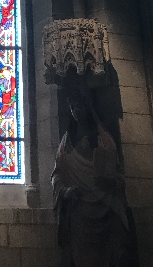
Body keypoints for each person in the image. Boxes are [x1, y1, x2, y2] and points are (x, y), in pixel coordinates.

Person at [51, 89, 133, 267]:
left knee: (116, 250)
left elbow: (116, 171)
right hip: (79, 208)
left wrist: (112, 181)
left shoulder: (103, 138)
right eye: (73, 107)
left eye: (79, 106)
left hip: (105, 204)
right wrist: (65, 191)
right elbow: (57, 174)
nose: (76, 110)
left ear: (87, 108)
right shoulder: (67, 142)